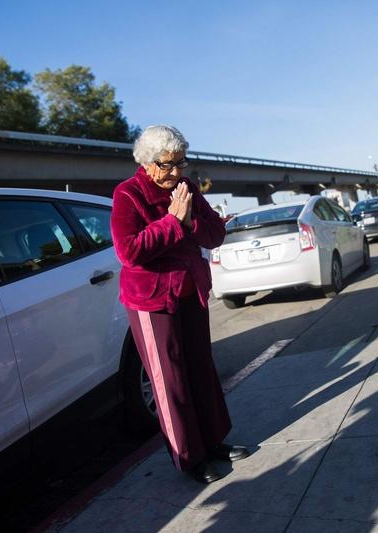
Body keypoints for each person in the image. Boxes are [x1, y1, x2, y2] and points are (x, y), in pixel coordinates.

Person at [111, 125, 248, 484]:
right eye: (166, 164)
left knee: (201, 368)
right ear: (147, 162)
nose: (174, 172)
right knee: (170, 380)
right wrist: (173, 222)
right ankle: (190, 458)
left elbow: (215, 234)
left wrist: (190, 222)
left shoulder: (186, 188)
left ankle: (213, 442)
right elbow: (128, 252)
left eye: (180, 163)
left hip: (191, 291)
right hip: (152, 301)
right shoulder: (128, 194)